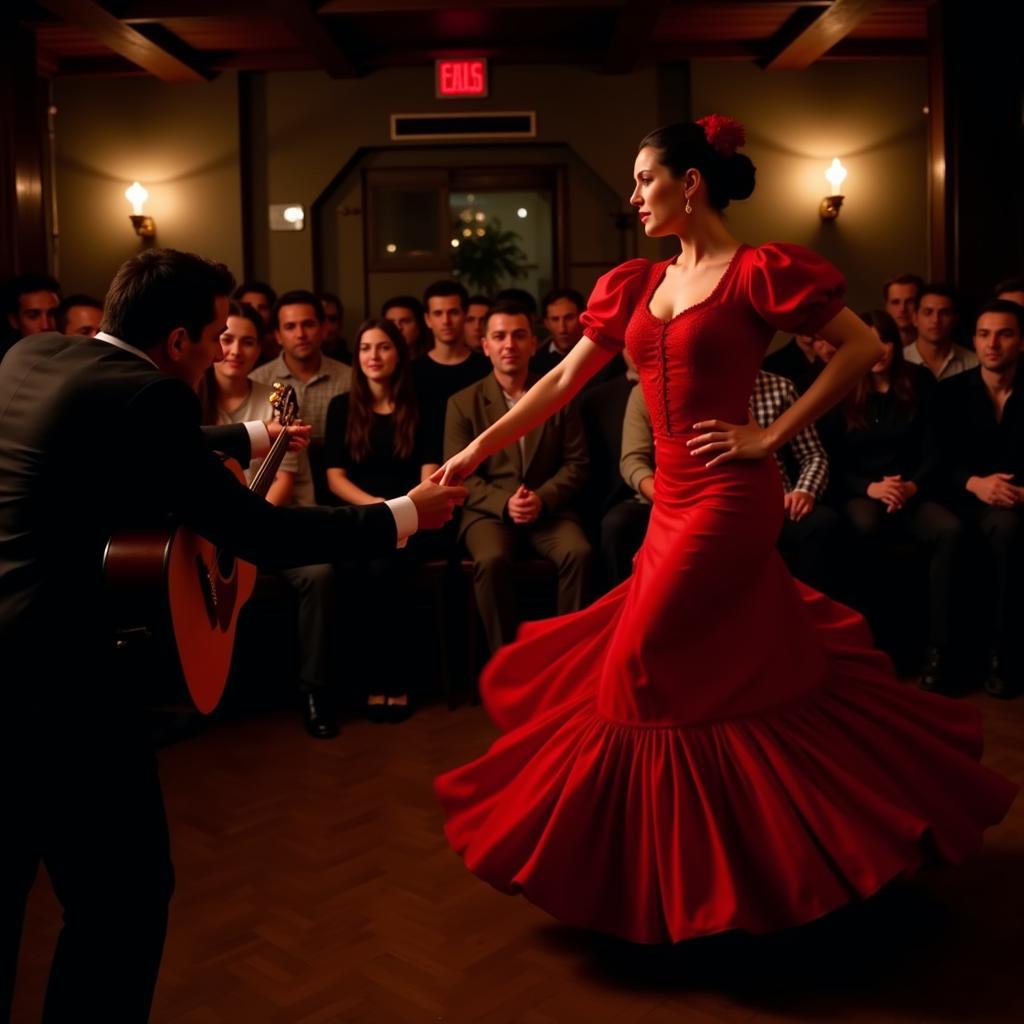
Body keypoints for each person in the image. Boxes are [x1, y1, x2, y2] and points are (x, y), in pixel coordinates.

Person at [433, 117, 1016, 945]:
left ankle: (677, 873)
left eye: (644, 179)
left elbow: (852, 347)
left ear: (690, 182)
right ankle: (723, 873)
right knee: (713, 682)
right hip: (668, 501)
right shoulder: (637, 282)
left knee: (639, 664)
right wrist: (475, 449)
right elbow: (563, 378)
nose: (634, 196)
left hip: (728, 503)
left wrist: (772, 438)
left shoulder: (758, 271)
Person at [0, 248, 466, 1020]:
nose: (225, 346)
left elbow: (112, 436)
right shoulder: (150, 398)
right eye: (217, 332)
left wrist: (247, 440)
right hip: (63, 685)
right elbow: (262, 535)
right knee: (125, 898)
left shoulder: (33, 355)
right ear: (178, 341)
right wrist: (405, 515)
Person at [199, 301, 341, 738]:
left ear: (261, 346)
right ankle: (199, 695)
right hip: (210, 531)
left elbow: (283, 479)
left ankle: (314, 690)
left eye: (247, 341)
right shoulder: (189, 397)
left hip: (269, 519)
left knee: (319, 574)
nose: (235, 350)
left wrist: (247, 520)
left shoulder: (275, 396)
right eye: (227, 339)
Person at [444, 300, 591, 655]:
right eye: (499, 336)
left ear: (531, 343)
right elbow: (457, 473)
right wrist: (504, 503)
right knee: (491, 561)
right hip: (489, 512)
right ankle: (508, 664)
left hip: (548, 509)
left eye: (518, 335)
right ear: (486, 346)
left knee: (580, 552)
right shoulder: (463, 403)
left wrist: (541, 498)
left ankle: (566, 659)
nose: (509, 344)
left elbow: (577, 463)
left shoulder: (559, 394)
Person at [833, 310, 963, 691]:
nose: (880, 350)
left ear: (895, 345)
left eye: (886, 341)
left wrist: (910, 486)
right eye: (871, 342)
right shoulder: (843, 386)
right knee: (864, 525)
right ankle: (875, 645)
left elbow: (936, 450)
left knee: (949, 530)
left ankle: (939, 649)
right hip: (862, 491)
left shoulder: (918, 381)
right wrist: (870, 488)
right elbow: (833, 459)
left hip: (912, 489)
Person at [324, 318, 433, 720]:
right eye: (366, 348)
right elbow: (334, 477)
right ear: (356, 357)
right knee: (352, 572)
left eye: (384, 347)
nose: (374, 356)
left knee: (388, 572)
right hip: (358, 516)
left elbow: (430, 473)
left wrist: (400, 509)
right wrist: (375, 507)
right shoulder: (341, 407)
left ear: (398, 354)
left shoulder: (420, 405)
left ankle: (397, 680)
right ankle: (366, 682)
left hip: (411, 516)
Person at [933, 299, 1024, 699]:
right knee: (953, 534)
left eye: (1004, 334)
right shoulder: (951, 392)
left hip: (1019, 502)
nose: (993, 344)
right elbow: (936, 461)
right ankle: (947, 658)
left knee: (1008, 529)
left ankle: (1002, 659)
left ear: (1022, 342)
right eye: (985, 334)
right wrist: (975, 483)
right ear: (974, 339)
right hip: (963, 497)